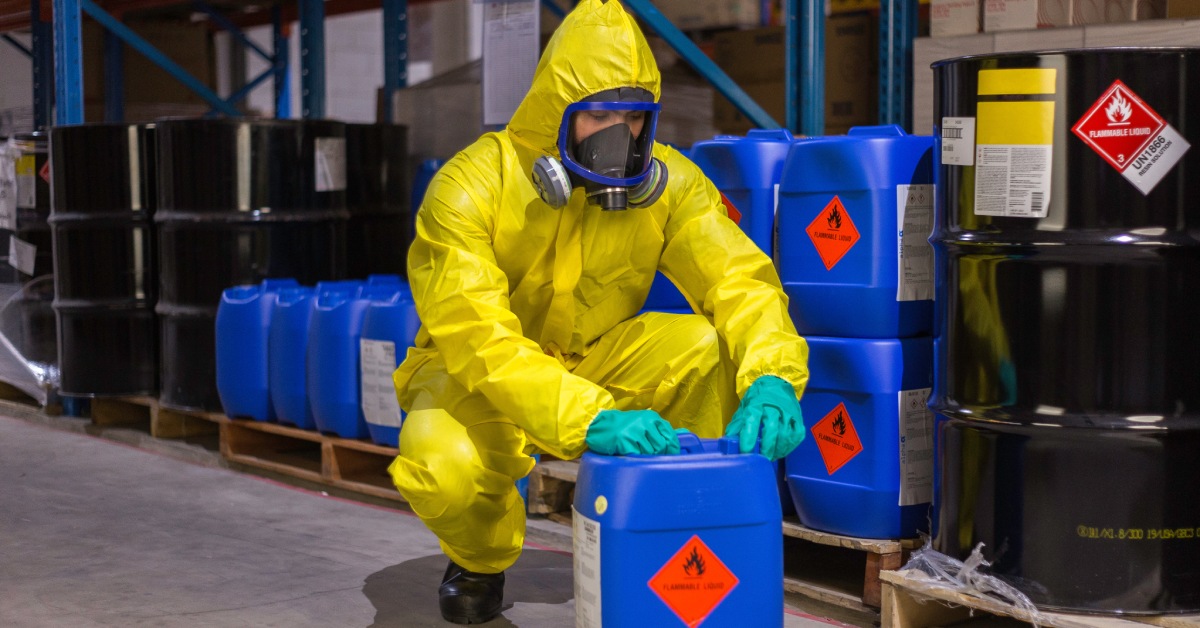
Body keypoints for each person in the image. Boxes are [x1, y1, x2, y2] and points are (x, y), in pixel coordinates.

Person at [387, 0, 810, 623]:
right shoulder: (468, 188)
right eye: (599, 114)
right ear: (556, 113)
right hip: (476, 378)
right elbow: (476, 335)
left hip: (596, 359)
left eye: (634, 117)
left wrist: (774, 376)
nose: (621, 134)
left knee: (705, 347)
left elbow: (740, 282)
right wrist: (590, 418)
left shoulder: (671, 187)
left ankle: (680, 527)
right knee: (439, 461)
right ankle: (480, 558)